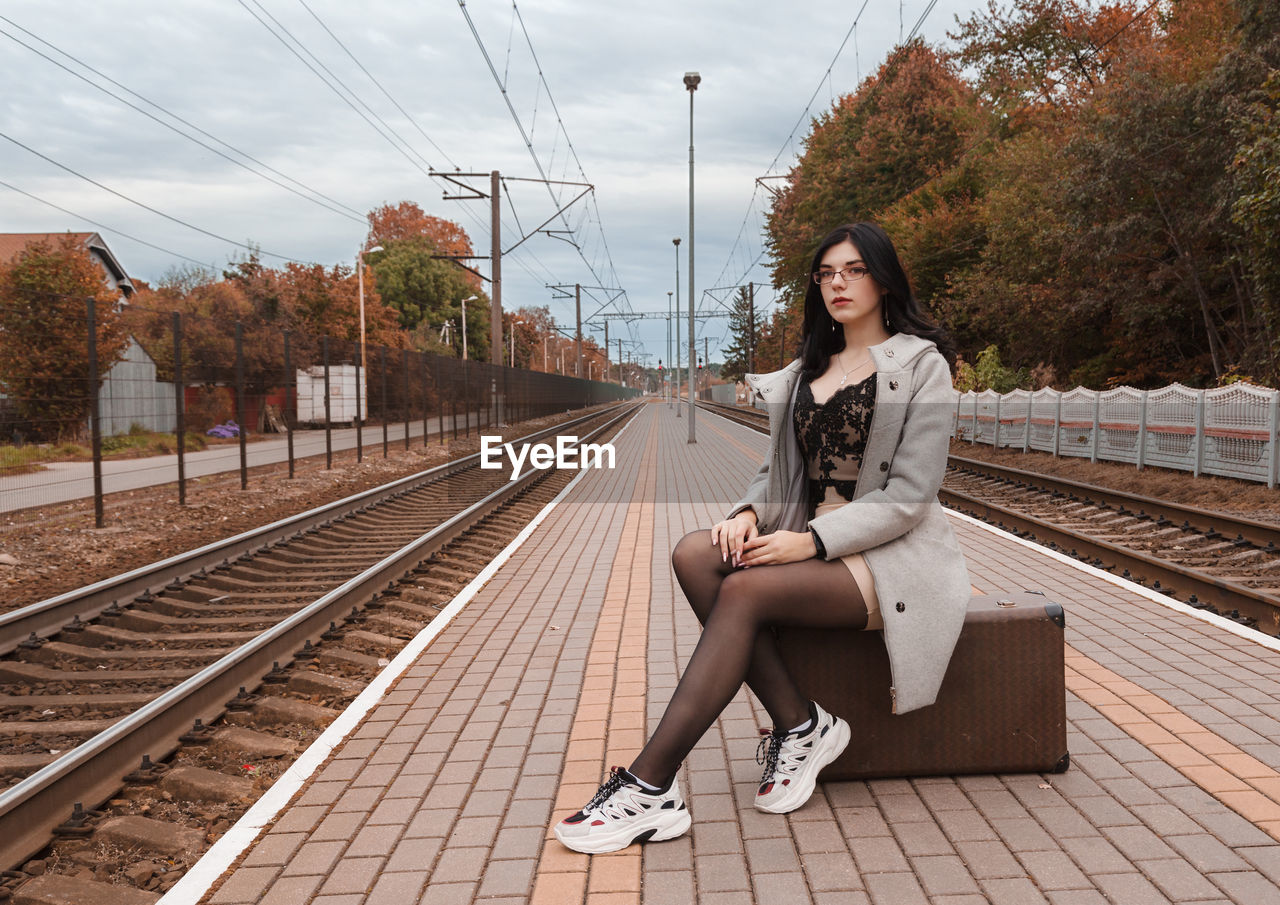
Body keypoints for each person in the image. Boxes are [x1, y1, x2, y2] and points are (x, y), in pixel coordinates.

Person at [553, 222, 971, 854]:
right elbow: (778, 473)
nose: (838, 283)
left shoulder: (921, 367)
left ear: (883, 279)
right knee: (697, 553)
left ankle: (650, 786)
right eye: (827, 273)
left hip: (888, 558)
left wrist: (811, 543)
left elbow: (910, 497)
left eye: (854, 270)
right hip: (813, 543)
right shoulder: (808, 371)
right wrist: (748, 513)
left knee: (744, 595)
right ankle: (802, 726)